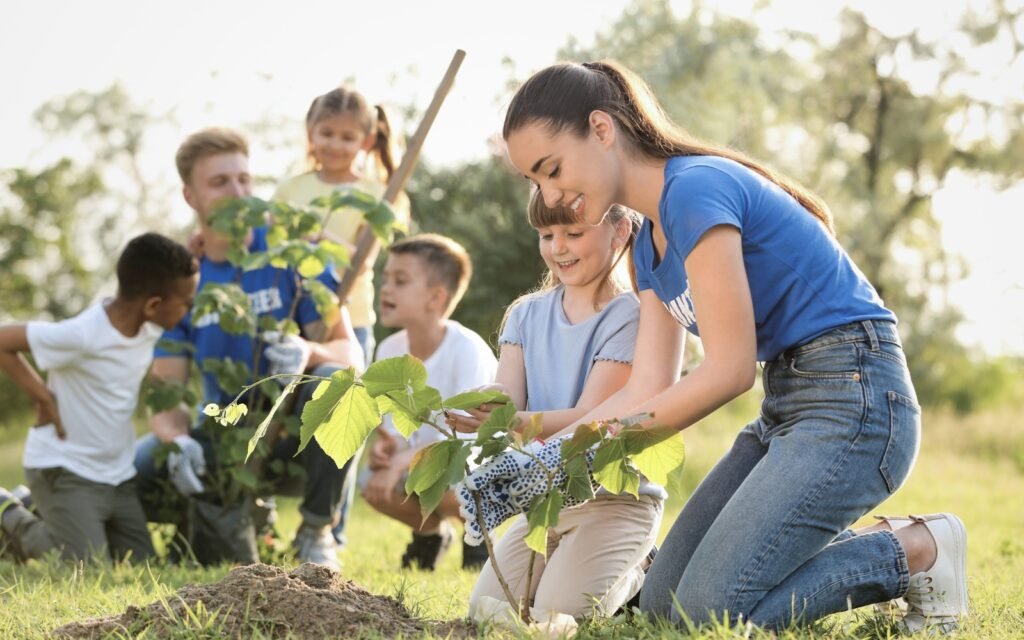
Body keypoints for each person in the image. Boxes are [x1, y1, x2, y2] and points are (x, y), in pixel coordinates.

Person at [485, 60, 967, 633]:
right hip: (788, 404)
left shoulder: (693, 190)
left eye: (551, 168)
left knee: (708, 614)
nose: (549, 193)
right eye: (534, 182)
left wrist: (562, 454)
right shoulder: (645, 250)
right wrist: (546, 457)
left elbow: (730, 370)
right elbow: (646, 390)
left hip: (856, 399)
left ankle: (916, 550)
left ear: (602, 129)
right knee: (664, 606)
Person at [133, 127, 364, 570]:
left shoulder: (293, 257)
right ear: (190, 196)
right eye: (220, 183)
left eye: (244, 179)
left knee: (340, 385)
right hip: (226, 438)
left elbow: (350, 354)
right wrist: (177, 440)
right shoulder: (183, 283)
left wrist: (306, 351)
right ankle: (222, 523)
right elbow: (166, 393)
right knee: (144, 463)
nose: (238, 193)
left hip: (294, 440)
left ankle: (316, 532)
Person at [447, 193, 664, 628]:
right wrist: (483, 406)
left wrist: (516, 422)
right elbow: (509, 398)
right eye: (547, 235)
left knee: (556, 618)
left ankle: (642, 572)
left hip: (613, 500)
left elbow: (591, 417)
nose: (558, 247)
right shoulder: (525, 314)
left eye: (574, 233)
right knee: (490, 616)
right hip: (545, 499)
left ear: (619, 231)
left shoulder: (629, 317)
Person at [0, 233, 198, 562]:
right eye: (186, 303)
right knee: (88, 567)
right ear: (153, 305)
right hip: (65, 469)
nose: (189, 310)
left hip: (117, 477)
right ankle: (9, 514)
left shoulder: (147, 325)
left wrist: (196, 248)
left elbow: (171, 275)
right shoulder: (82, 335)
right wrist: (43, 399)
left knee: (141, 565)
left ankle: (40, 506)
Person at [273, 87, 411, 545]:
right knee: (278, 412)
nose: (334, 144)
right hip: (292, 317)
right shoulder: (293, 188)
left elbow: (378, 252)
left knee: (345, 416)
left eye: (346, 137)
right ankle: (265, 512)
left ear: (366, 141)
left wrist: (327, 247)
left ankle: (332, 529)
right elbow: (271, 245)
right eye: (325, 133)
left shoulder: (378, 194)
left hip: (352, 319)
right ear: (310, 133)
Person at [361, 234, 497, 571]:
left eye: (400, 281)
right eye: (385, 278)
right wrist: (389, 448)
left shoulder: (467, 349)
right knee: (371, 483)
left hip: (474, 463)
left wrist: (402, 462)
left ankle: (479, 538)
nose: (386, 288)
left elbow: (466, 440)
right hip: (422, 463)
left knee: (453, 486)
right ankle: (431, 534)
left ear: (436, 297)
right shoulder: (388, 350)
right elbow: (394, 424)